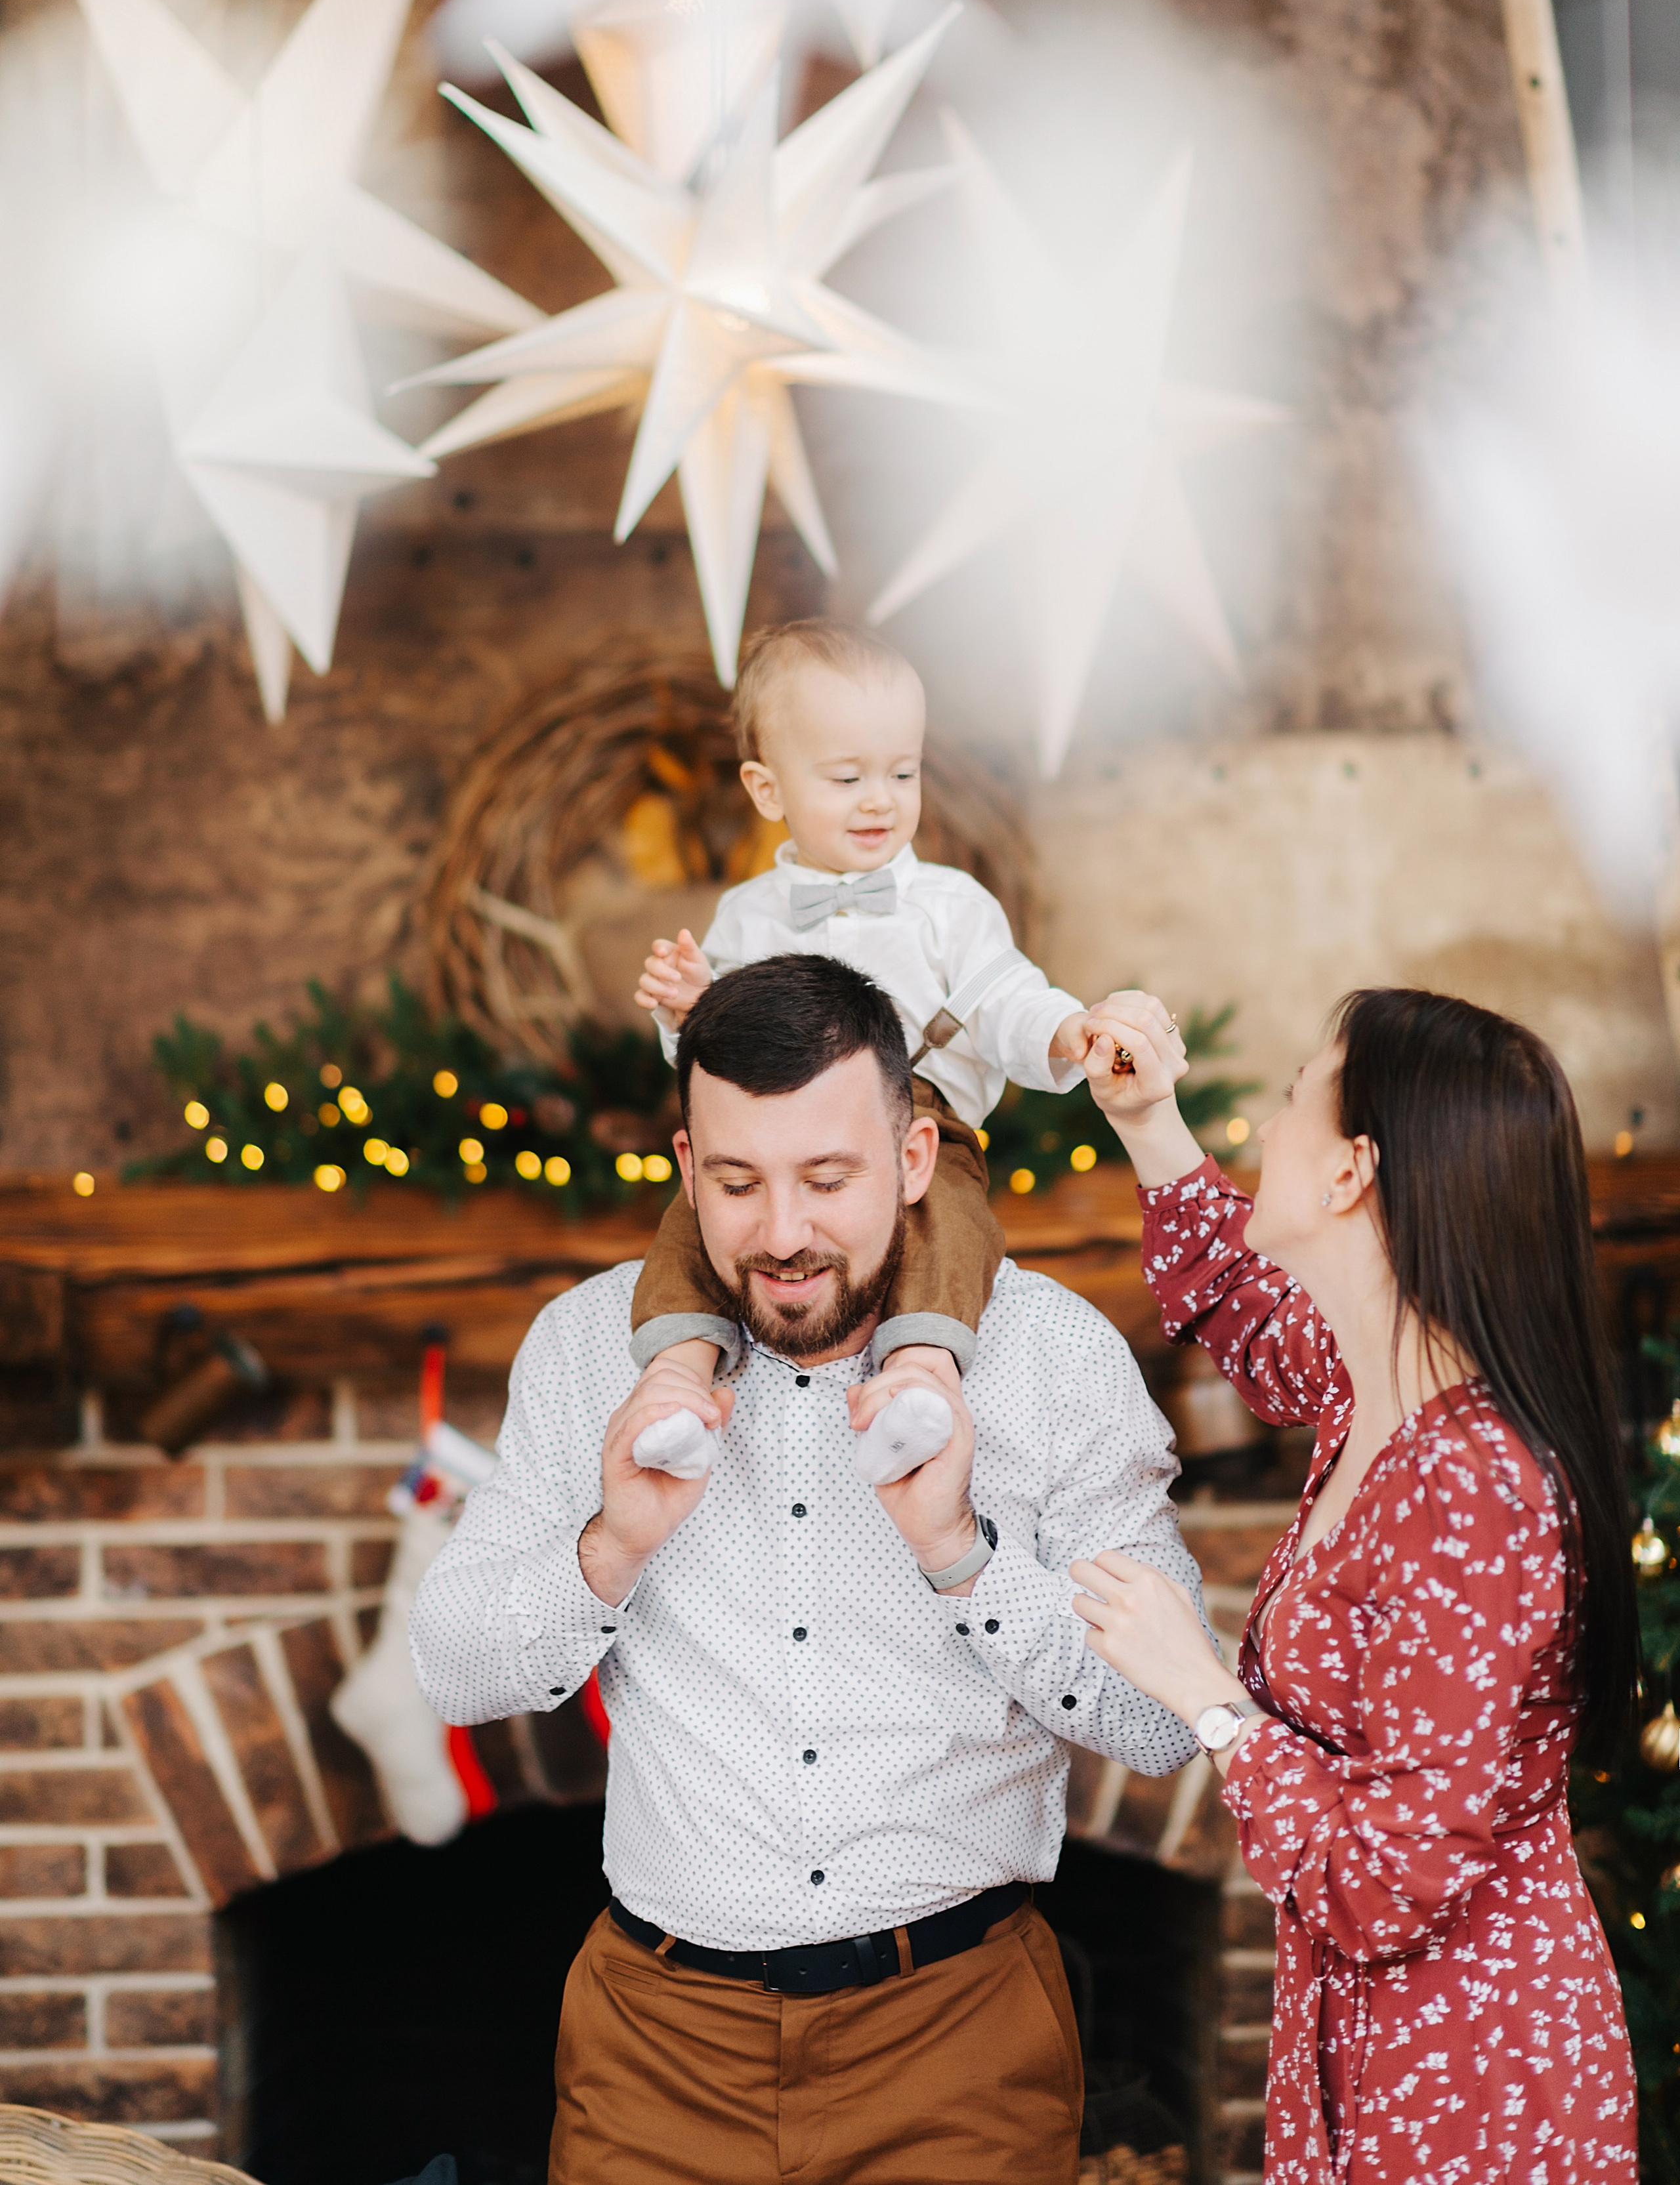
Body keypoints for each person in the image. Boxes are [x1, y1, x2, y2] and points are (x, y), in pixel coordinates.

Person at [410, 953, 1208, 2185]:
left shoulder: (1054, 1357)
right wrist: (612, 1547)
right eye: (738, 1183)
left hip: (960, 2045)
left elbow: (1161, 1724)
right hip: (657, 2055)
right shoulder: (586, 1349)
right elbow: (453, 1673)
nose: (782, 1235)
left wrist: (961, 1555)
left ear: (916, 1157)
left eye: (828, 1180)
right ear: (687, 1169)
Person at [1068, 986, 1639, 2184]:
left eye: (1292, 1102)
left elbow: (1388, 1882)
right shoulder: (1371, 1381)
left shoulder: (1475, 1485)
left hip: (1470, 2074)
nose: (1268, 1128)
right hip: (1369, 2036)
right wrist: (1148, 1118)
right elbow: (1242, 1304)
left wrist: (1205, 1696)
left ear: (1352, 1173)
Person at [628, 617, 1097, 1487]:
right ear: (767, 790)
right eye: (847, 778)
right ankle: (677, 1383)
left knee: (949, 1217)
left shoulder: (950, 907)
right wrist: (691, 1012)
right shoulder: (747, 917)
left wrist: (1062, 1031)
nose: (880, 800)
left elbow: (1005, 997)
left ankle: (920, 1377)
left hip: (921, 1115)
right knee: (698, 1219)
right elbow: (714, 1063)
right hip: (773, 1126)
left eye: (902, 773)